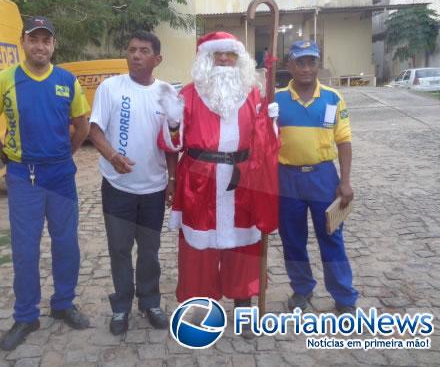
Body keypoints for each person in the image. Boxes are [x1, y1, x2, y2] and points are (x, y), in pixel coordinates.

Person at [0, 16, 91, 351]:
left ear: (54, 45)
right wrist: (8, 158)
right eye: (33, 39)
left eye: (46, 40)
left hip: (60, 176)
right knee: (25, 250)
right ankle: (26, 315)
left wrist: (62, 155)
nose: (40, 46)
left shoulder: (68, 82)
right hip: (23, 176)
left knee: (66, 243)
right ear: (23, 42)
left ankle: (64, 303)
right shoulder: (4, 81)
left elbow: (81, 129)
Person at [158, 32, 279, 321]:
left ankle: (243, 308)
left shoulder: (253, 94)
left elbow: (266, 146)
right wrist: (173, 122)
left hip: (242, 182)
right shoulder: (187, 94)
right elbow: (172, 145)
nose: (224, 59)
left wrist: (271, 124)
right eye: (217, 54)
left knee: (244, 247)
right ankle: (200, 309)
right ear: (205, 59)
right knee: (198, 251)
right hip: (199, 182)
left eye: (230, 54)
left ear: (240, 60)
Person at [88, 31, 178, 335]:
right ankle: (121, 307)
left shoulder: (167, 94)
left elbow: (173, 142)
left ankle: (150, 301)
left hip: (153, 190)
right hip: (117, 188)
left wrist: (172, 180)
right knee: (119, 249)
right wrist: (113, 156)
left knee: (150, 251)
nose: (135, 55)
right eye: (131, 50)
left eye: (143, 51)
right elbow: (95, 131)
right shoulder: (110, 88)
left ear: (157, 59)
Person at [275, 40, 358, 314]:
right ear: (290, 65)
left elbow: (344, 142)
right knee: (292, 239)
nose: (307, 68)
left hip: (324, 177)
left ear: (318, 65)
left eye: (312, 62)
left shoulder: (333, 98)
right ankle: (302, 290)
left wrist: (344, 182)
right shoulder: (276, 100)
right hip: (287, 179)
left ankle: (344, 297)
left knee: (332, 237)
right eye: (300, 62)